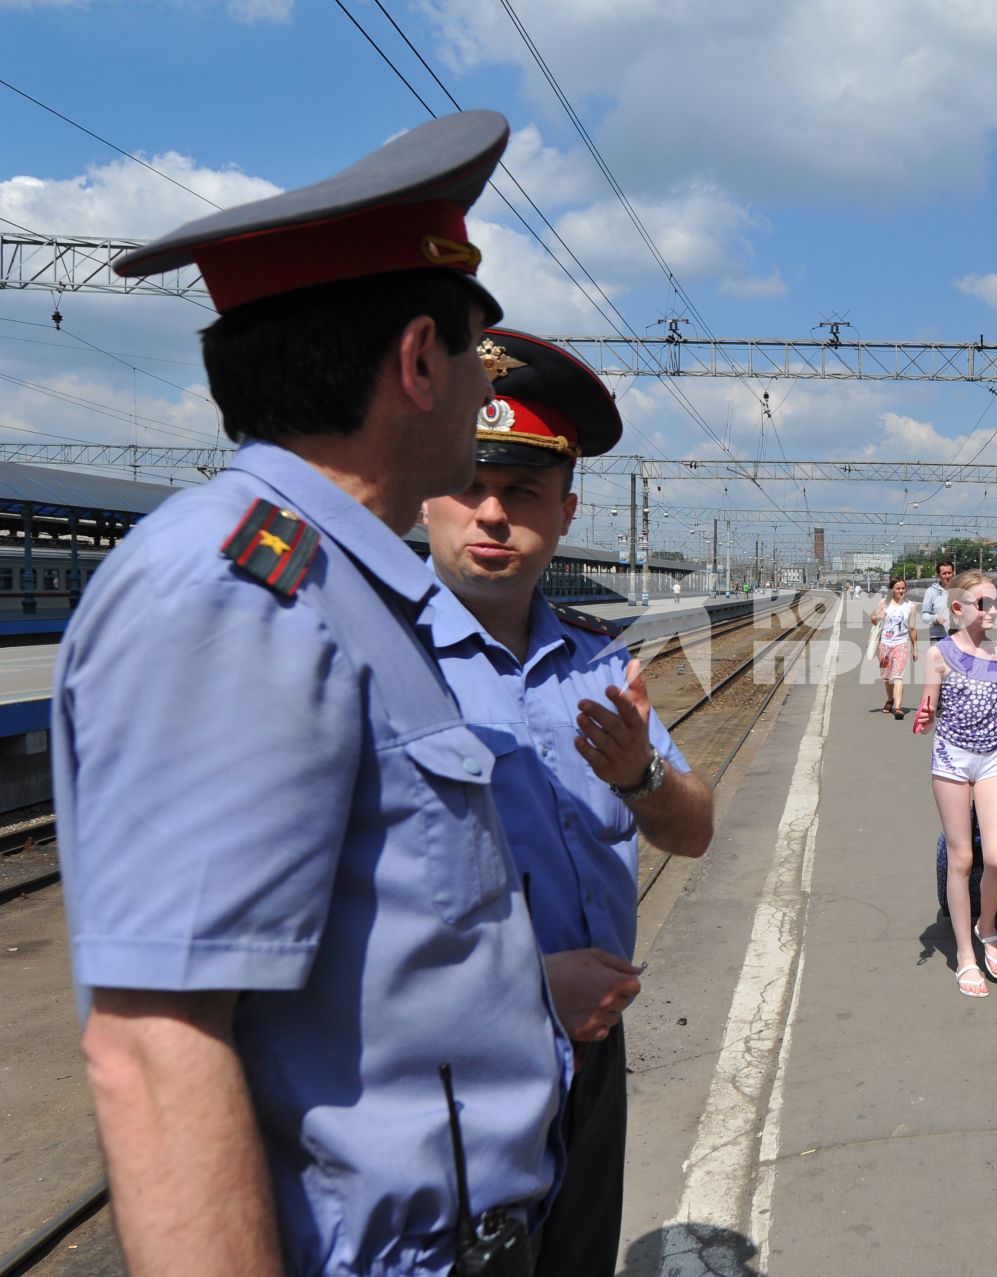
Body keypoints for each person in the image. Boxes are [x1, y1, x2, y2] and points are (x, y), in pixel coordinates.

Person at [55, 112, 569, 1275]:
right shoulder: (243, 592)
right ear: (417, 362)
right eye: (481, 362)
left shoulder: (334, 585)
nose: (486, 395)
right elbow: (153, 1043)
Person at [422, 329, 715, 1275]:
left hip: (594, 1065)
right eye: (471, 485)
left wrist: (640, 774)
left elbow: (694, 827)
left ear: (565, 510)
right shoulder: (381, 666)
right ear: (429, 492)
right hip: (453, 1083)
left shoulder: (599, 665)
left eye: (523, 493)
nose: (493, 514)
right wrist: (528, 992)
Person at [916, 570, 997, 997]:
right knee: (962, 858)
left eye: (994, 602)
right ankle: (965, 955)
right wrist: (924, 717)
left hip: (993, 758)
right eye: (983, 603)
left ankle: (986, 925)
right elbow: (929, 706)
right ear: (958, 608)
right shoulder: (938, 654)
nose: (992, 610)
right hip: (952, 760)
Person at [872, 577, 917, 718]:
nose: (901, 591)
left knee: (898, 676)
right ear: (892, 589)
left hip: (901, 644)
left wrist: (915, 648)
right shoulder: (883, 603)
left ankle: (898, 708)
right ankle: (890, 699)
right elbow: (873, 620)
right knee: (886, 677)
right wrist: (878, 616)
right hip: (884, 644)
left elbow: (912, 628)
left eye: (903, 588)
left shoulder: (910, 606)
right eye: (898, 588)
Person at [920, 558, 955, 641]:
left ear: (953, 573)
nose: (947, 576)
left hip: (956, 636)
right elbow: (924, 616)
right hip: (938, 637)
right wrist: (935, 618)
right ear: (939, 575)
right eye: (944, 573)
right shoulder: (930, 592)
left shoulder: (960, 590)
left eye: (949, 573)